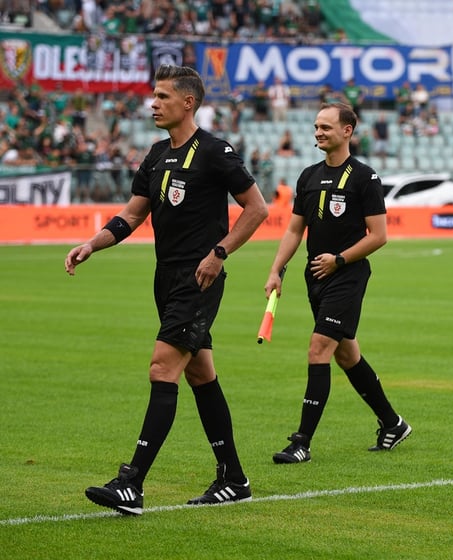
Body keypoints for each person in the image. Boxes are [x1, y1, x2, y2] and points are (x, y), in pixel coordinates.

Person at [64, 65, 269, 516]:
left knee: (162, 367)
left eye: (162, 96)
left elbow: (257, 208)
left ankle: (131, 483)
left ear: (188, 102)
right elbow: (132, 215)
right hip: (166, 279)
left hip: (199, 279)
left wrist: (219, 253)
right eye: (153, 96)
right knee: (200, 374)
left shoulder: (216, 152)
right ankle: (233, 478)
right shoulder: (156, 154)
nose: (153, 104)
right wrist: (91, 245)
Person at [264, 102, 412, 464]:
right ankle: (393, 423)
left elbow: (379, 236)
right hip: (315, 276)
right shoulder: (308, 176)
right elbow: (295, 229)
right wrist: (276, 270)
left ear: (347, 131)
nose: (318, 132)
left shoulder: (364, 177)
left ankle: (302, 442)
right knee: (347, 355)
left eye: (326, 127)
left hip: (347, 274)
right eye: (316, 126)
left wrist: (340, 259)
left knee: (318, 350)